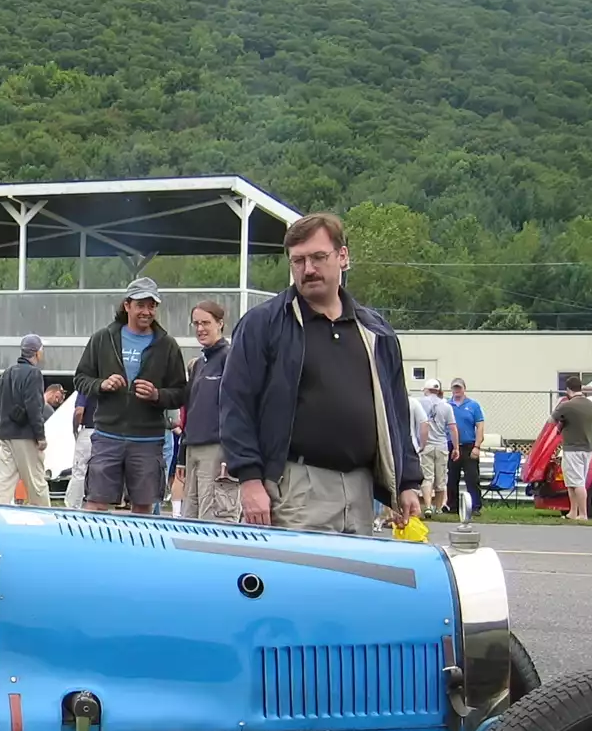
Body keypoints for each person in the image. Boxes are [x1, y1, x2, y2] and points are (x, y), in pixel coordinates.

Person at [219, 212, 422, 534]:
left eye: (318, 257)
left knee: (355, 570)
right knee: (299, 570)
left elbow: (397, 412)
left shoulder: (376, 332)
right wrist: (250, 480)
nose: (308, 269)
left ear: (343, 257)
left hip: (361, 489)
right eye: (298, 261)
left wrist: (407, 481)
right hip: (296, 487)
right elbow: (236, 405)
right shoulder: (264, 325)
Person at [72, 276, 187, 516]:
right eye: (140, 305)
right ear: (127, 305)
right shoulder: (102, 338)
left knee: (143, 508)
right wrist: (102, 384)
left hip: (148, 440)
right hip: (107, 436)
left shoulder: (167, 345)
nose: (147, 312)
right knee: (95, 504)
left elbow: (180, 393)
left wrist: (157, 395)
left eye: (152, 306)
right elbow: (81, 378)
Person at [178, 299, 238, 522]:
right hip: (193, 449)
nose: (200, 329)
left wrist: (232, 454)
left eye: (206, 322)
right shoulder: (198, 364)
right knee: (189, 518)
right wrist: (181, 457)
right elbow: (190, 410)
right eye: (196, 323)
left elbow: (238, 408)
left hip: (217, 449)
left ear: (220, 323)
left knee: (213, 519)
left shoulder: (231, 358)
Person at [0, 334, 52, 507]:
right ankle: (44, 514)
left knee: (4, 481)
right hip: (25, 435)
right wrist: (40, 436)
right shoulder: (34, 374)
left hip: (6, 434)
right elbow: (34, 407)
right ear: (37, 352)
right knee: (35, 480)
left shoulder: (7, 373)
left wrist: (1, 430)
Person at [552, 375, 592, 522]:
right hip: (587, 447)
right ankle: (573, 511)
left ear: (568, 389)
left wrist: (559, 407)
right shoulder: (590, 405)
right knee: (572, 481)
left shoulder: (567, 406)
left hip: (573, 448)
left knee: (577, 482)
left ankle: (583, 514)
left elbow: (552, 420)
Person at [446, 378, 486, 517]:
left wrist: (477, 446)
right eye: (454, 388)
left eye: (459, 388)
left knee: (472, 478)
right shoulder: (447, 405)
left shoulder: (473, 405)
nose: (457, 390)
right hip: (452, 445)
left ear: (464, 389)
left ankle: (475, 506)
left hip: (469, 446)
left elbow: (480, 426)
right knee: (452, 478)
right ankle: (452, 506)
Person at [419, 381, 455, 512]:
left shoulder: (419, 403)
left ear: (426, 390)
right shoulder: (446, 406)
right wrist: (456, 447)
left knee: (427, 477)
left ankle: (428, 506)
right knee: (441, 479)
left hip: (426, 445)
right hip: (441, 445)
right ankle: (438, 508)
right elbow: (452, 428)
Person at [66, 390, 96, 510]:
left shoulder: (85, 388)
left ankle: (73, 504)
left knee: (79, 470)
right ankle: (95, 503)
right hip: (106, 432)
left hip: (88, 430)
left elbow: (79, 411)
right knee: (99, 471)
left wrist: (75, 428)